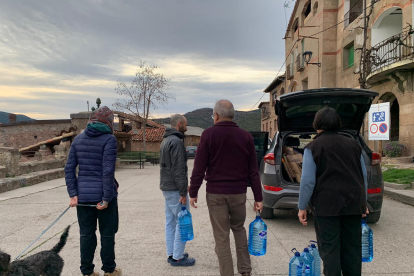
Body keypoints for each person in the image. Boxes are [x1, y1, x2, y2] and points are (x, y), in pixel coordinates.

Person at [189, 100, 263, 276]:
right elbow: (253, 171)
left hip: (216, 194)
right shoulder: (246, 136)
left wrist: (193, 192)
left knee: (221, 236)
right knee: (239, 229)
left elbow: (199, 168)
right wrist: (258, 198)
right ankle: (245, 271)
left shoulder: (208, 135)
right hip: (238, 193)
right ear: (232, 115)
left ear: (216, 115)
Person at [297, 107, 368, 276]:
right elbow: (363, 176)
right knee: (352, 251)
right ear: (338, 123)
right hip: (353, 203)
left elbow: (308, 181)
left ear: (316, 124)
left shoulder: (312, 147)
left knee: (330, 251)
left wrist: (302, 207)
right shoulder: (354, 144)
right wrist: (363, 202)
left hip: (326, 207)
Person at [65, 106, 121, 276]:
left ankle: (87, 271)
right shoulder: (109, 140)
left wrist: (73, 194)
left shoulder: (78, 140)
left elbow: (69, 169)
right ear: (109, 122)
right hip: (104, 197)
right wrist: (106, 198)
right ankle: (109, 270)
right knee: (107, 234)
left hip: (82, 198)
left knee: (87, 235)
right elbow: (107, 171)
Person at [159, 114, 196, 267]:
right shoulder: (176, 142)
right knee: (182, 221)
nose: (186, 127)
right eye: (186, 124)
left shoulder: (166, 140)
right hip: (175, 189)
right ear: (179, 124)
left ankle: (172, 253)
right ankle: (178, 257)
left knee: (170, 222)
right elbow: (178, 169)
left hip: (167, 187)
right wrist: (183, 192)